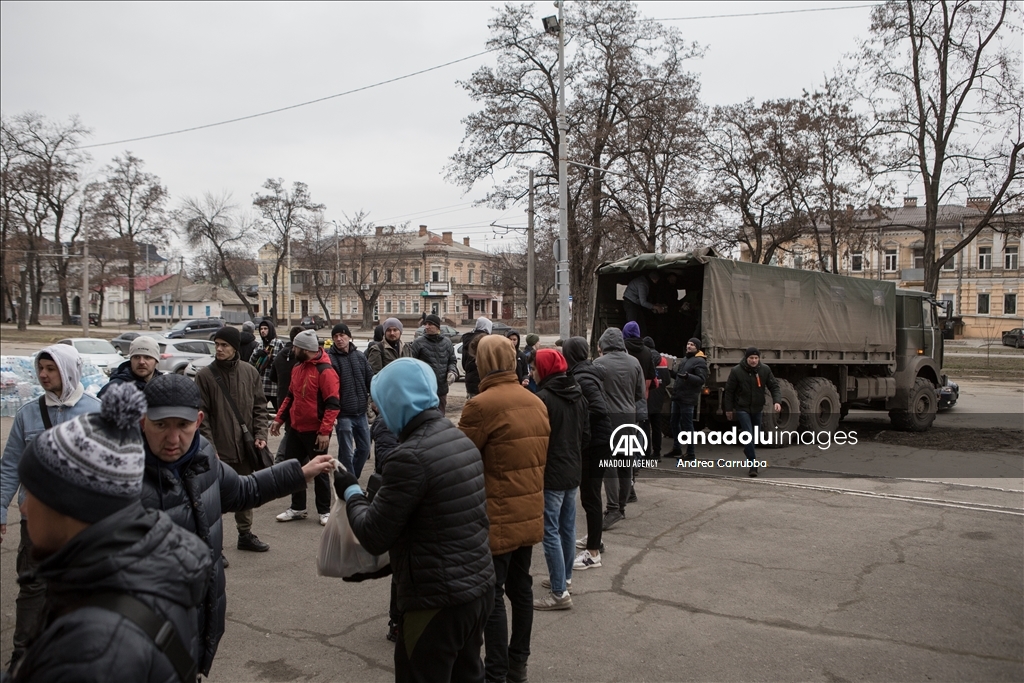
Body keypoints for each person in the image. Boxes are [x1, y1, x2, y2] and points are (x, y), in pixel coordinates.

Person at [8, 383, 211, 683]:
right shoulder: (142, 568)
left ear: (66, 505)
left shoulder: (90, 651)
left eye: (31, 492)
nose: (23, 508)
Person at [139, 374, 334, 676]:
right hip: (140, 639)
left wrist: (299, 473)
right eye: (161, 425)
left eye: (183, 425)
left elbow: (243, 491)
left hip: (194, 626)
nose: (173, 439)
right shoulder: (116, 477)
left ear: (198, 421)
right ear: (143, 421)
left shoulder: (203, 457)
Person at [334, 357, 495, 683]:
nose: (377, 411)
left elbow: (373, 535)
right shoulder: (458, 439)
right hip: (477, 589)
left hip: (436, 602)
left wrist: (351, 491)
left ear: (396, 402)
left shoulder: (409, 456)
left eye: (380, 403)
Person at [0, 344, 101, 671]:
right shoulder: (27, 413)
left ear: (68, 370)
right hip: (37, 523)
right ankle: (23, 658)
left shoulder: (97, 413)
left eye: (51, 368)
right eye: (40, 368)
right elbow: (10, 466)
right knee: (32, 589)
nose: (43, 375)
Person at [458, 335, 549, 683]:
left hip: (495, 515)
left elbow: (460, 458)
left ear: (483, 362)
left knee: (492, 594)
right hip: (529, 509)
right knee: (521, 588)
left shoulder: (481, 406)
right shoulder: (535, 401)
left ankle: (496, 671)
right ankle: (517, 664)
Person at [195, 326, 271, 552]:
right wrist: (210, 448)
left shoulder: (250, 372)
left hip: (245, 447)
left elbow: (260, 407)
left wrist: (261, 435)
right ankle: (213, 546)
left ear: (235, 348)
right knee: (213, 500)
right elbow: (201, 416)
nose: (219, 349)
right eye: (216, 345)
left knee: (244, 494)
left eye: (224, 345)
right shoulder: (204, 376)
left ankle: (245, 535)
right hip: (218, 450)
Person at [531, 349, 589, 611]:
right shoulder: (578, 395)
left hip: (551, 474)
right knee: (567, 528)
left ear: (544, 369)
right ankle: (564, 580)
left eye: (534, 368)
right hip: (573, 471)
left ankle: (558, 593)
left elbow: (536, 441)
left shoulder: (542, 399)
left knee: (550, 531)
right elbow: (586, 435)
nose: (532, 372)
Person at [270, 329, 340, 525]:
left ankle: (324, 511)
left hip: (316, 431)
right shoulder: (297, 367)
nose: (293, 350)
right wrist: (279, 419)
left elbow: (333, 404)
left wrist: (324, 431)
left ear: (306, 349)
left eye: (296, 347)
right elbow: (290, 397)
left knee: (320, 471)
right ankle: (297, 507)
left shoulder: (325, 371)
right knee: (295, 468)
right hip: (296, 428)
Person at [562, 336, 612, 570]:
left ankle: (593, 553)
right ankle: (595, 539)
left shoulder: (583, 377)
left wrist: (578, 422)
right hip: (597, 441)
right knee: (591, 495)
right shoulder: (585, 372)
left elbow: (599, 409)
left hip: (595, 444)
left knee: (590, 496)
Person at [593, 327, 645, 530]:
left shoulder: (599, 363)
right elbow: (640, 393)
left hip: (608, 419)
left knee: (610, 464)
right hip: (629, 417)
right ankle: (621, 507)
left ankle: (613, 508)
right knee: (625, 464)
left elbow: (594, 393)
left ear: (604, 344)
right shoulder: (634, 362)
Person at [723, 347, 781, 477]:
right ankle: (753, 465)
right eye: (751, 358)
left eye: (756, 358)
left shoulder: (765, 370)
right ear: (746, 358)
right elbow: (729, 391)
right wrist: (729, 409)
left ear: (759, 358)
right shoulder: (736, 371)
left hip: (757, 408)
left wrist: (777, 401)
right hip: (742, 408)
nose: (754, 361)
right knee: (748, 435)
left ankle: (748, 450)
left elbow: (774, 386)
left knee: (755, 436)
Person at [327, 323, 374, 477]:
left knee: (365, 448)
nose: (339, 339)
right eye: (335, 336)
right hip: (343, 414)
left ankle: (350, 478)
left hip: (360, 412)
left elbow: (370, 380)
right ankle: (349, 484)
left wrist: (375, 399)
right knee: (346, 453)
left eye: (342, 335)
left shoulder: (359, 356)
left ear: (349, 337)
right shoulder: (330, 359)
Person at [621, 322, 655, 503]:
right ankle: (637, 461)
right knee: (638, 431)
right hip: (641, 397)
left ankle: (629, 468)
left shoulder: (623, 350)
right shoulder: (647, 352)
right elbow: (650, 376)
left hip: (623, 397)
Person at [405, 313, 457, 414]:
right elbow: (411, 364)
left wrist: (452, 371)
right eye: (426, 324)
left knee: (440, 417)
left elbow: (452, 360)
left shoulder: (447, 342)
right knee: (425, 417)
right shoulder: (418, 343)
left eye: (430, 324)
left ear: (437, 327)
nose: (426, 326)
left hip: (441, 389)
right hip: (424, 390)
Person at [269, 326, 305, 461]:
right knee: (292, 433)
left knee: (291, 431)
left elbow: (272, 377)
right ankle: (280, 460)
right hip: (296, 400)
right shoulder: (301, 358)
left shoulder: (280, 356)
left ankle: (299, 464)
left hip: (282, 398)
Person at [669, 338, 708, 458]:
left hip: (688, 398)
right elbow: (679, 377)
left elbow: (701, 379)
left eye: (692, 345)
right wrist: (671, 372)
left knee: (687, 425)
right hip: (678, 396)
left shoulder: (700, 361)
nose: (689, 346)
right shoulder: (686, 359)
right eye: (688, 344)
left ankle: (691, 452)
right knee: (674, 423)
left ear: (697, 347)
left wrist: (688, 377)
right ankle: (677, 448)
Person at [99, 336, 164, 398]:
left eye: (147, 357)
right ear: (131, 360)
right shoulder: (113, 390)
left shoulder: (164, 388)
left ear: (156, 361)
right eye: (137, 357)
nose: (141, 362)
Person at [644, 336, 672, 459]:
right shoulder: (663, 360)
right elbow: (667, 380)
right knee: (657, 426)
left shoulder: (644, 358)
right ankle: (657, 453)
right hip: (659, 397)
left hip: (647, 396)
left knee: (645, 427)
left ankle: (646, 453)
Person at [251, 318, 287, 411]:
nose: (263, 331)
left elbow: (283, 363)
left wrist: (270, 359)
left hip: (274, 386)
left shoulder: (278, 343)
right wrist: (257, 355)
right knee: (259, 411)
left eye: (265, 328)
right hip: (262, 386)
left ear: (270, 329)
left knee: (280, 411)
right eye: (261, 329)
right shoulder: (260, 344)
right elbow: (251, 363)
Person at [461, 316, 492, 398]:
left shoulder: (468, 339)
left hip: (470, 379)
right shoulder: (484, 340)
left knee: (473, 403)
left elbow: (464, 363)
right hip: (483, 380)